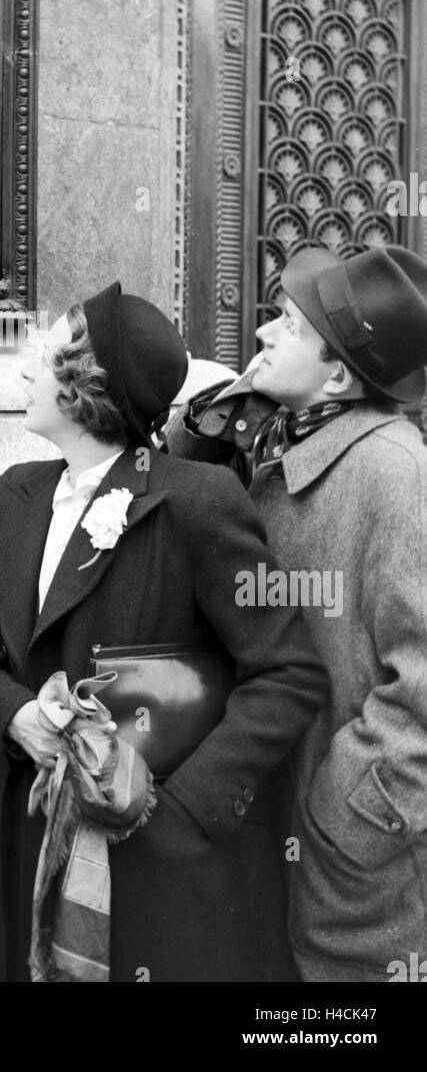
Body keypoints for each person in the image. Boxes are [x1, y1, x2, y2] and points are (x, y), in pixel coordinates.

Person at [0, 281, 326, 982]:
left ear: (90, 388)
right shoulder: (16, 495)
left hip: (153, 855)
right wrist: (15, 714)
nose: (26, 369)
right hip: (34, 835)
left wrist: (182, 811)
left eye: (47, 356)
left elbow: (287, 675)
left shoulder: (197, 501)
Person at [167, 244, 427, 982]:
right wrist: (207, 422)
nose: (261, 336)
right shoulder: (288, 438)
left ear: (338, 376)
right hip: (272, 824)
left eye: (286, 323)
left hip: (353, 857)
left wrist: (346, 817)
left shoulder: (394, 474)